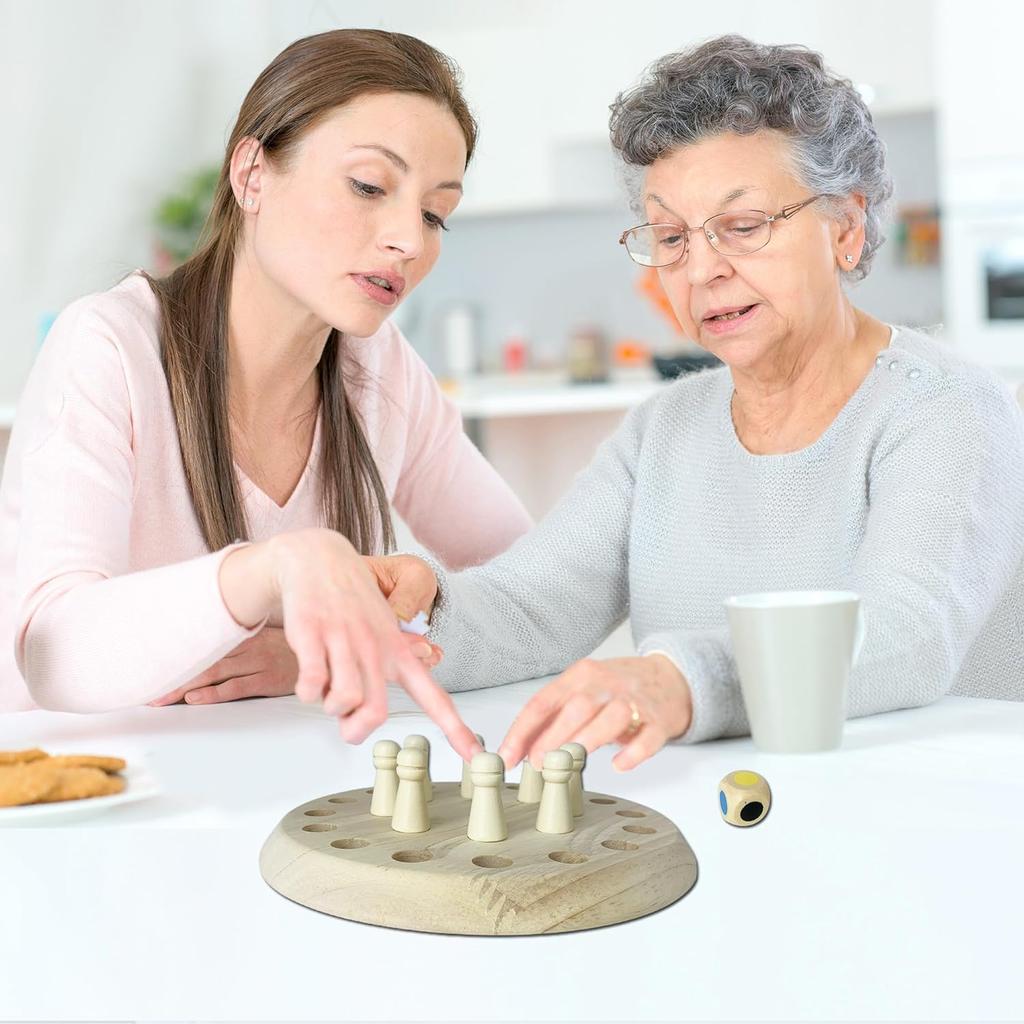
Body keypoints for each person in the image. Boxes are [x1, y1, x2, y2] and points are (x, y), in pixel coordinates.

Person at [368, 35, 1024, 771]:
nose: (703, 269)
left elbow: (910, 634)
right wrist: (420, 608)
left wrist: (685, 678)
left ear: (844, 228)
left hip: (934, 817)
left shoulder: (946, 409)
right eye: (672, 236)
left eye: (742, 227)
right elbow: (536, 605)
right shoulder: (665, 429)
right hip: (731, 824)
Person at [0, 29, 533, 761]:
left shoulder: (380, 370)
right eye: (370, 186)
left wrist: (330, 653)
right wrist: (268, 573)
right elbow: (52, 655)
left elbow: (538, 589)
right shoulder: (110, 347)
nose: (409, 239)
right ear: (252, 173)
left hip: (272, 784)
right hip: (84, 791)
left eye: (436, 212)